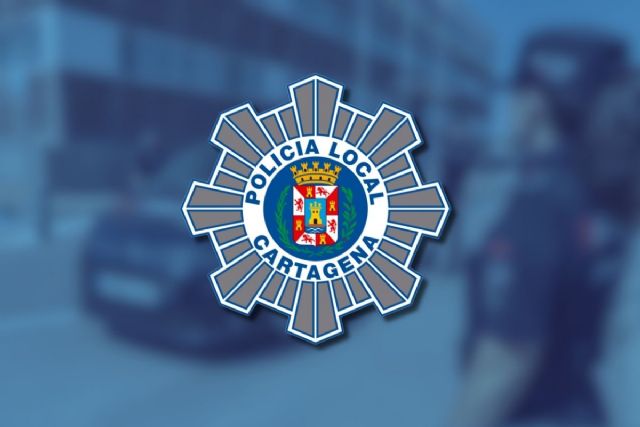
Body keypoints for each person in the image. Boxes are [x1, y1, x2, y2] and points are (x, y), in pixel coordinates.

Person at [450, 30, 629, 427]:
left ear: (538, 100)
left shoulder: (541, 201)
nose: (512, 105)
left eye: (518, 91)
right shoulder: (600, 197)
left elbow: (508, 358)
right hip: (583, 408)